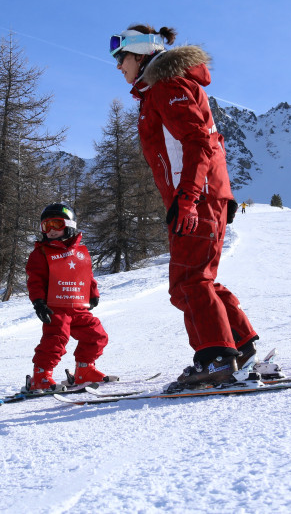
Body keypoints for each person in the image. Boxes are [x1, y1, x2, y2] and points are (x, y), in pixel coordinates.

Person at [110, 24, 266, 386]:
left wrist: (190, 197)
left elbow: (198, 142)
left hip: (195, 198)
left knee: (189, 282)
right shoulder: (162, 88)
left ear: (141, 54)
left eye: (122, 57)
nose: (119, 66)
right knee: (197, 280)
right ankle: (239, 348)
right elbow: (209, 141)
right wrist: (217, 194)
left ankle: (216, 360)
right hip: (201, 195)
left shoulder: (167, 86)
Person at [25, 203, 110, 391]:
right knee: (56, 339)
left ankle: (84, 370)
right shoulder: (41, 253)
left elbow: (86, 275)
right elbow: (35, 280)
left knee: (96, 334)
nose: (51, 230)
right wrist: (39, 302)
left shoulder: (80, 253)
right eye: (46, 226)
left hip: (77, 306)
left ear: (70, 225)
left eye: (56, 224)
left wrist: (93, 294)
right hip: (55, 307)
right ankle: (41, 375)